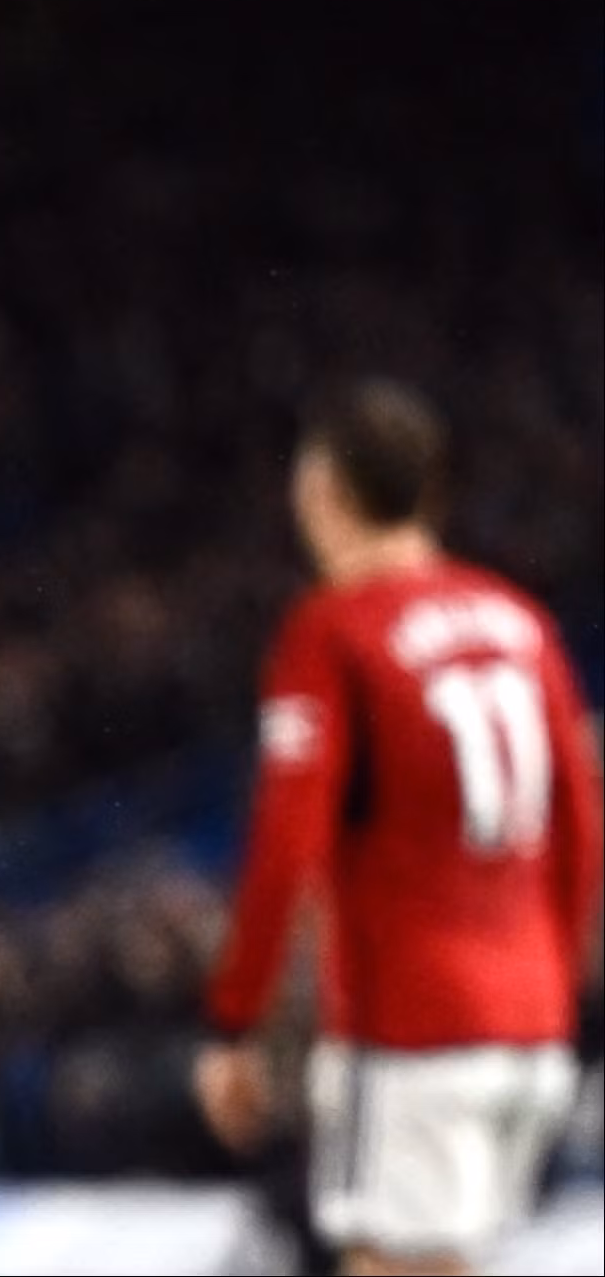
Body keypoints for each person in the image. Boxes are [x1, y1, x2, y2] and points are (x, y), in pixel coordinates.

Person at [196, 380, 602, 1277]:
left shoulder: (335, 632)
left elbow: (287, 845)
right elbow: (581, 829)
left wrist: (235, 1023)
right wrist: (556, 994)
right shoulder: (520, 621)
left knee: (386, 1265)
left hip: (411, 1032)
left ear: (322, 493)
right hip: (530, 1032)